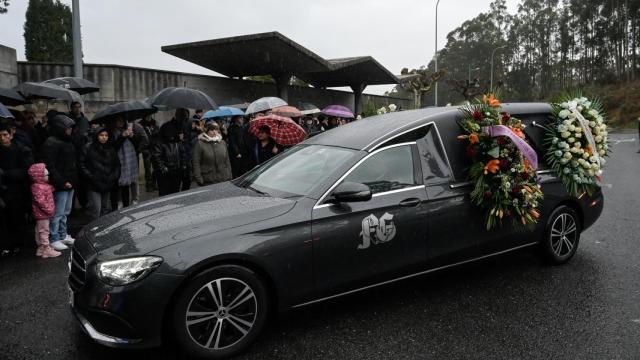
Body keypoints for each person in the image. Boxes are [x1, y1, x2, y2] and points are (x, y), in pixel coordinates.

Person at [42, 115, 77, 251]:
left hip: (70, 182)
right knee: (57, 213)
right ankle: (54, 238)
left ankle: (63, 234)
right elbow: (50, 166)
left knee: (65, 212)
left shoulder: (67, 141)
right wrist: (62, 182)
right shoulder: (51, 142)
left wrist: (71, 181)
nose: (70, 130)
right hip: (61, 184)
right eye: (68, 127)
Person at [0, 122, 34, 256]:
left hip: (17, 191)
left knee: (16, 219)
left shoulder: (20, 150)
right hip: (3, 191)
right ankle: (6, 245)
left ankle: (18, 244)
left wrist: (6, 173)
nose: (2, 138)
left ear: (10, 135)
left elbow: (27, 171)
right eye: (0, 135)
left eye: (5, 135)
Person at [80, 128, 120, 220]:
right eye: (101, 135)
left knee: (104, 209)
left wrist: (114, 176)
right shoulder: (88, 147)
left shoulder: (111, 149)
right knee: (96, 210)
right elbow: (81, 164)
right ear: (97, 136)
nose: (104, 137)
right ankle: (93, 231)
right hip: (93, 184)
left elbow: (117, 165)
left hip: (107, 183)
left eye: (106, 135)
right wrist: (91, 177)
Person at [28, 163, 61, 258]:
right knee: (44, 231)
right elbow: (40, 201)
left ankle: (41, 249)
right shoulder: (38, 187)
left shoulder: (41, 186)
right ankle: (46, 248)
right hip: (43, 214)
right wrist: (49, 210)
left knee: (39, 230)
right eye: (46, 175)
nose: (48, 176)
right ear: (39, 176)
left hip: (42, 213)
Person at [159, 108, 192, 191]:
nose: (184, 120)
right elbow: (164, 141)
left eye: (185, 118)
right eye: (183, 118)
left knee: (186, 182)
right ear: (177, 116)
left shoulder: (184, 125)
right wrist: (177, 138)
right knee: (171, 189)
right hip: (171, 162)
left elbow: (187, 140)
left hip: (183, 158)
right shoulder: (167, 126)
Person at [108, 117, 137, 210]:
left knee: (126, 187)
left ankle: (126, 207)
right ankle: (115, 208)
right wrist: (122, 136)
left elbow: (137, 144)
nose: (120, 122)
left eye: (122, 120)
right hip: (116, 163)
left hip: (128, 163)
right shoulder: (110, 132)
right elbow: (113, 148)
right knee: (115, 188)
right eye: (118, 120)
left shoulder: (128, 130)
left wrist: (132, 136)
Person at [153, 123, 187, 196]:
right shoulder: (160, 142)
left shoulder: (177, 142)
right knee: (165, 194)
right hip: (164, 174)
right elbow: (156, 156)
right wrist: (163, 168)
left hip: (176, 172)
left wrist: (183, 165)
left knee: (175, 193)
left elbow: (182, 153)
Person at [69, 101, 91, 209]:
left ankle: (84, 202)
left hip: (82, 153)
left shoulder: (84, 120)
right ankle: (72, 205)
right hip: (72, 153)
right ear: (72, 108)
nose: (77, 109)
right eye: (75, 107)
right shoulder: (69, 120)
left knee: (83, 181)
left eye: (79, 107)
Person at [139, 115, 159, 192]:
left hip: (154, 149)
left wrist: (154, 131)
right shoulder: (141, 124)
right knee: (147, 169)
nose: (149, 116)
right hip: (146, 149)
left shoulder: (154, 123)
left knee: (156, 167)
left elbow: (158, 134)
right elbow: (140, 137)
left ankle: (154, 183)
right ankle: (149, 185)